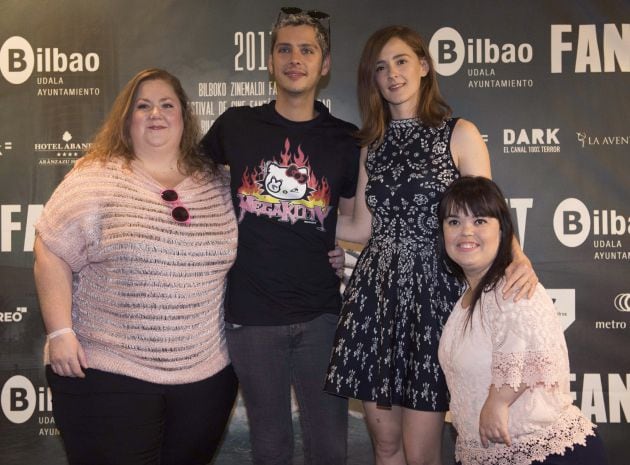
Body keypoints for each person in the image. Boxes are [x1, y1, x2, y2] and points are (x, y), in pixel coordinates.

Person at [324, 26, 538, 465]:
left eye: (401, 61)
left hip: (433, 299)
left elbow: (488, 213)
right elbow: (363, 226)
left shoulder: (458, 133)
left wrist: (518, 257)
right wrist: (295, 225)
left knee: (422, 453)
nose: (392, 74)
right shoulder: (373, 144)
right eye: (380, 67)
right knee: (386, 447)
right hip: (374, 299)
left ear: (423, 66)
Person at [33, 68, 238, 465]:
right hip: (107, 372)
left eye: (166, 104)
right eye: (143, 106)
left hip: (205, 379)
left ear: (184, 116)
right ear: (128, 119)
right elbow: (50, 248)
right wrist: (60, 331)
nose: (155, 113)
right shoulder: (95, 177)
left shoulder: (219, 183)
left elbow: (274, 234)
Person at [199, 8, 359, 465]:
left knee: (330, 447)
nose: (295, 59)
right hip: (251, 317)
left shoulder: (345, 139)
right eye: (285, 49)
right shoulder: (236, 125)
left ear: (324, 64)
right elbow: (191, 184)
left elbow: (350, 220)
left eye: (307, 50)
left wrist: (342, 250)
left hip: (322, 316)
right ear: (269, 61)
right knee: (270, 447)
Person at [437, 176, 607, 465]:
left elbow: (539, 352)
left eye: (479, 221)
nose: (465, 231)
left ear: (502, 231)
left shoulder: (514, 284)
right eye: (453, 222)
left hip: (546, 455)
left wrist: (498, 401)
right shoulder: (464, 302)